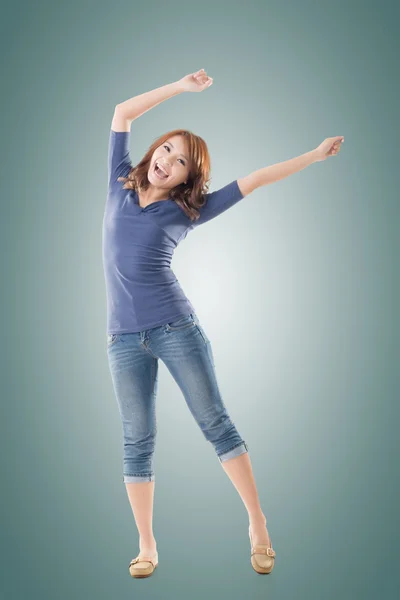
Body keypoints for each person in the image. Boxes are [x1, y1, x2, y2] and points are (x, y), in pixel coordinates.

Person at [103, 68, 344, 578]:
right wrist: (179, 88)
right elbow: (122, 112)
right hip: (122, 339)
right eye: (165, 149)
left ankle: (258, 523)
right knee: (135, 439)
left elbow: (254, 180)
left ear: (190, 179)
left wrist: (315, 154)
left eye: (181, 161)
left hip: (175, 329)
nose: (167, 160)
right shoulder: (119, 183)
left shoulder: (189, 212)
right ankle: (147, 545)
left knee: (216, 424)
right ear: (153, 154)